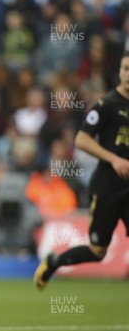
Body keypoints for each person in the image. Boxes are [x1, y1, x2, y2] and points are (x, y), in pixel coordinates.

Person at [34, 52, 129, 290]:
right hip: (107, 187)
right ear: (119, 72)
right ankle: (54, 262)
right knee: (98, 251)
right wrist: (114, 159)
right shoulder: (107, 104)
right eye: (126, 69)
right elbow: (82, 139)